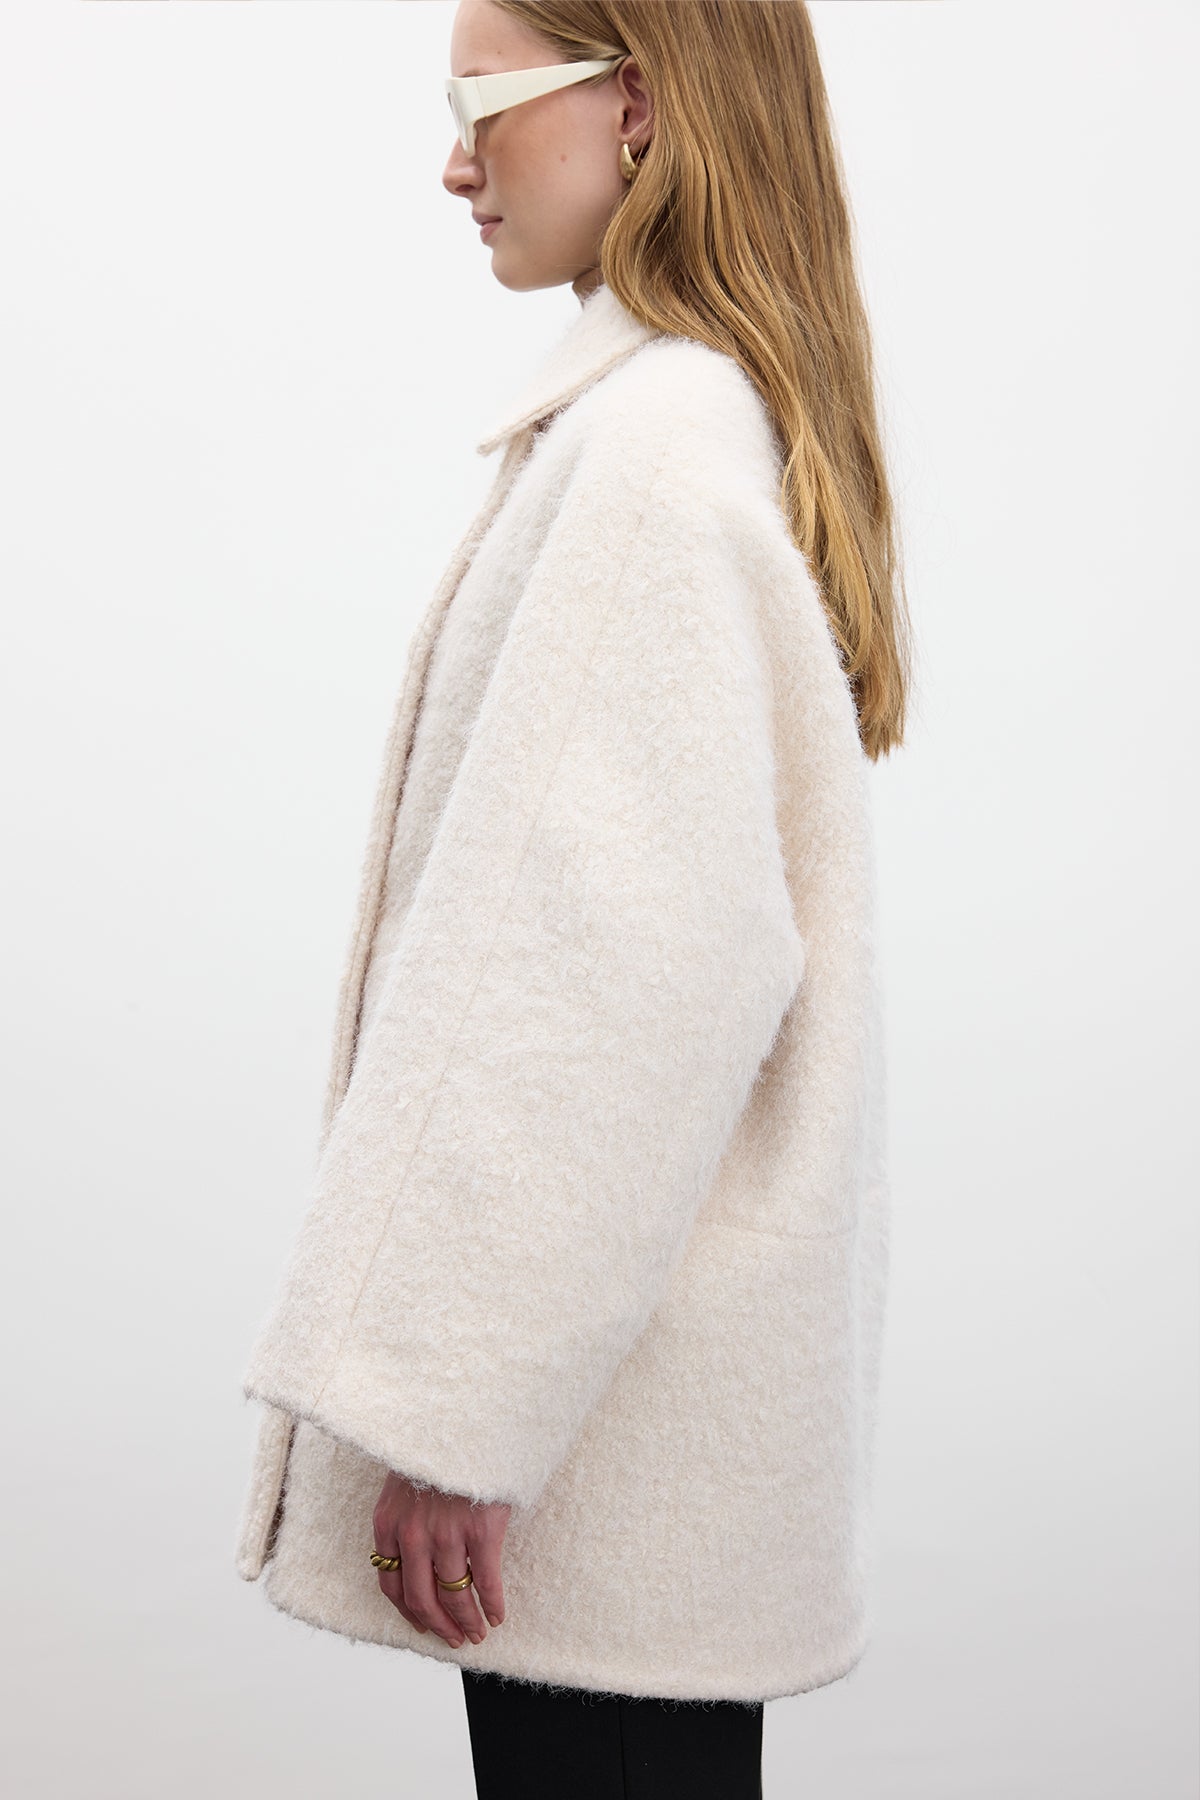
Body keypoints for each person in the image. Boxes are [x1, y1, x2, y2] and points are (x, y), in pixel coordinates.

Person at [234, 2, 911, 1794]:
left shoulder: (652, 457)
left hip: (586, 1451)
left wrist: (456, 1405)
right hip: (649, 1411)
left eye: (486, 102)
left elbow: (611, 977)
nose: (454, 161)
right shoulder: (696, 425)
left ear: (641, 107)